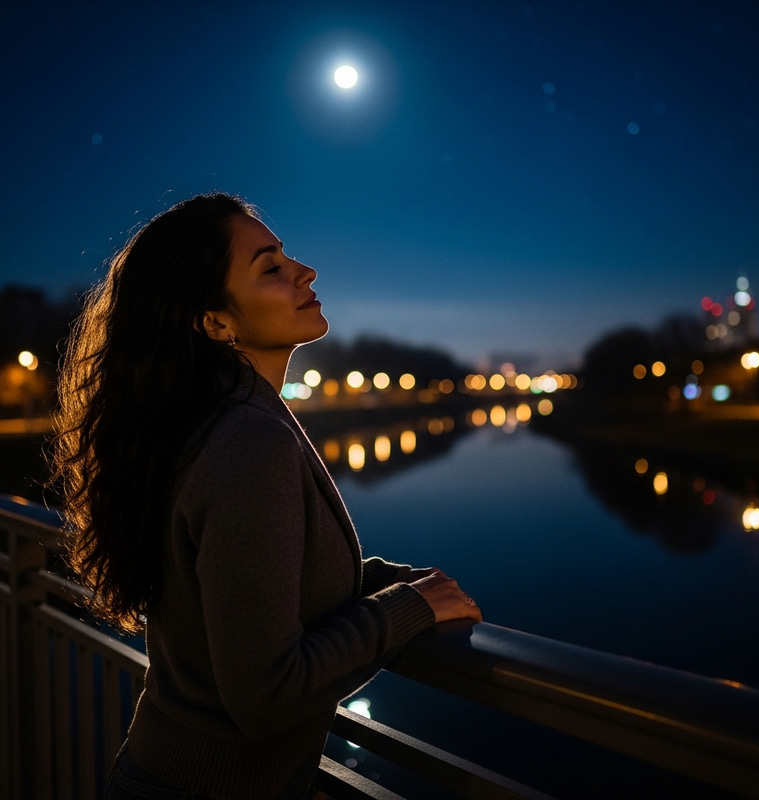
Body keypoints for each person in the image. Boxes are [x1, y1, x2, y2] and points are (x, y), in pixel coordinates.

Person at [49, 192, 482, 800]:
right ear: (215, 321)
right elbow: (267, 693)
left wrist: (385, 584)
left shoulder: (215, 417)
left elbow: (253, 586)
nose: (304, 272)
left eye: (288, 257)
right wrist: (407, 610)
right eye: (270, 267)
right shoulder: (247, 439)